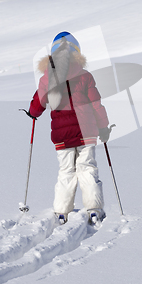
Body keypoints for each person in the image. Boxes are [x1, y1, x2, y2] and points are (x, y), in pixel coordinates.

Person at [28, 32, 112, 225]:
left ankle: (61, 213)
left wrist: (33, 113)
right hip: (86, 132)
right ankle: (93, 209)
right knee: (87, 169)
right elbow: (96, 104)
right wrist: (104, 127)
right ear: (76, 52)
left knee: (66, 171)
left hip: (62, 136)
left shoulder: (47, 77)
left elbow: (37, 103)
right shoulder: (85, 76)